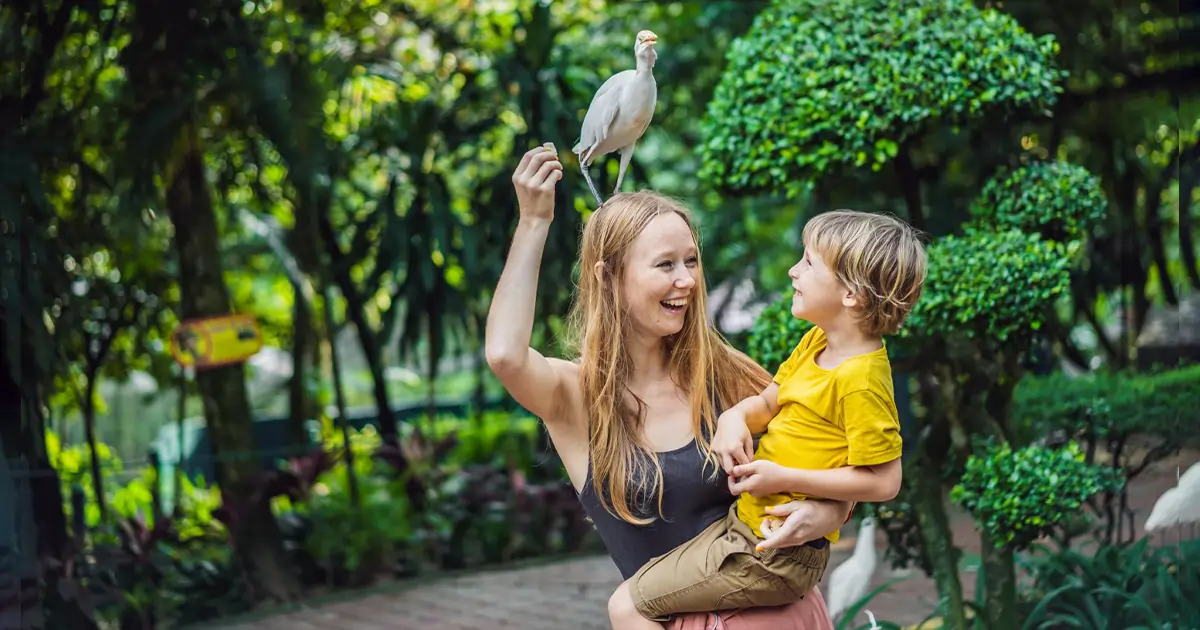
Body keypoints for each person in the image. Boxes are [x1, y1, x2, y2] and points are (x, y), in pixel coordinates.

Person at [485, 144, 852, 629]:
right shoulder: (576, 397)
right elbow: (505, 356)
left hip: (787, 617)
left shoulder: (728, 376)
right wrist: (534, 222)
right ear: (609, 278)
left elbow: (833, 456)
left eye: (691, 261)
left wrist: (831, 514)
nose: (687, 280)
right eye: (665, 265)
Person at [610, 208, 928, 628]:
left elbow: (885, 482)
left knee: (627, 605)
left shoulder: (861, 381)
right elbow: (766, 403)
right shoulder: (817, 342)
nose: (794, 271)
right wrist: (734, 419)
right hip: (748, 528)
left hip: (776, 554)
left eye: (809, 263)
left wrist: (783, 479)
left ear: (852, 294)